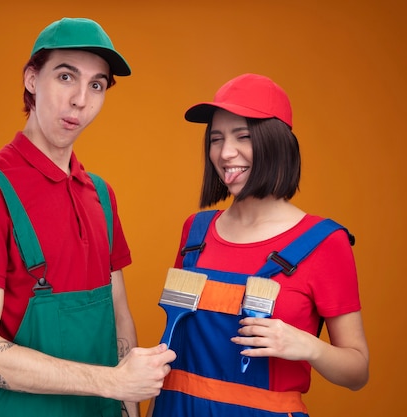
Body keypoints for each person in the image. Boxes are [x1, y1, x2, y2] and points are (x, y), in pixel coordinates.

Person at [0, 17, 175, 417]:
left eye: (96, 85)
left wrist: (129, 407)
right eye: (66, 77)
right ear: (32, 79)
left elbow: (119, 320)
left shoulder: (100, 194)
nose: (81, 99)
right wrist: (111, 382)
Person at [148, 74, 369, 417]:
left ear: (276, 142)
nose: (225, 153)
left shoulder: (325, 242)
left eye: (243, 136)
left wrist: (307, 346)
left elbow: (357, 372)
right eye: (216, 138)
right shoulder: (196, 232)